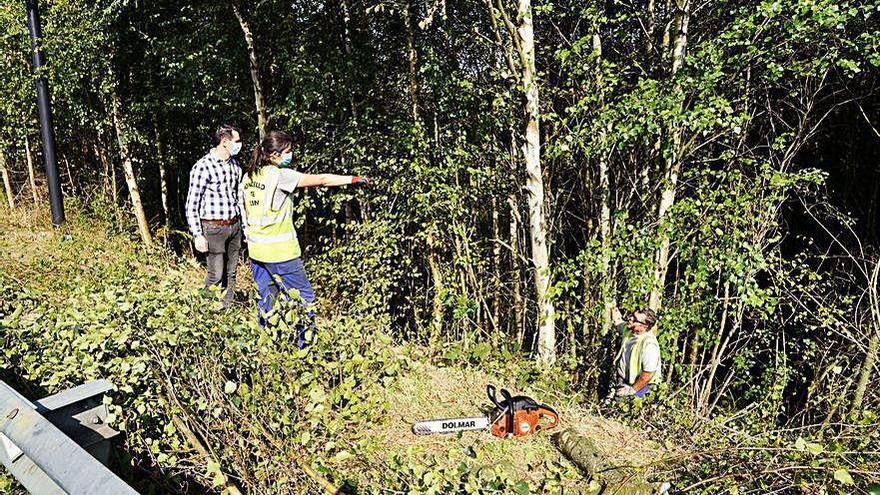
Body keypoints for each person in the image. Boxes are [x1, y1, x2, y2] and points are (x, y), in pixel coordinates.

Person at [239, 130, 370, 347]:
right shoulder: (281, 175)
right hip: (281, 252)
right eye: (287, 152)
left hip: (256, 251)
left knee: (267, 301)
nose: (291, 156)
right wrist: (354, 179)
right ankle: (306, 348)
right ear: (273, 155)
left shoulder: (249, 177)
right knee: (304, 301)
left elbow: (247, 211)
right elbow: (322, 180)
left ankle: (268, 346)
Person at [185, 124, 244, 308]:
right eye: (237, 141)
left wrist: (243, 226)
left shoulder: (235, 166)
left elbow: (238, 198)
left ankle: (226, 309)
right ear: (225, 142)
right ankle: (204, 310)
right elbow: (192, 203)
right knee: (215, 274)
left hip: (234, 226)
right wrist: (197, 234)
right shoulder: (203, 166)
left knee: (231, 273)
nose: (240, 144)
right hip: (213, 228)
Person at [611, 306, 662, 398]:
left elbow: (648, 374)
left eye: (634, 319)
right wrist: (612, 306)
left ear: (644, 326)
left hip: (642, 386)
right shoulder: (629, 331)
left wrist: (632, 390)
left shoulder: (649, 344)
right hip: (627, 382)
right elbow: (618, 322)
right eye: (632, 315)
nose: (630, 318)